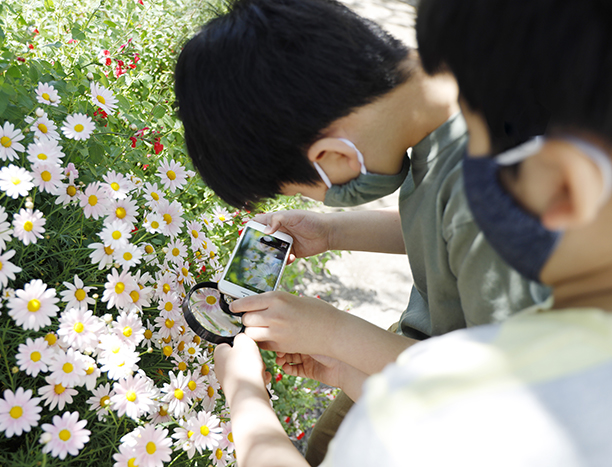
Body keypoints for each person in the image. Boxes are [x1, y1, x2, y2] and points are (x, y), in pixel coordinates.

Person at [214, 0, 612, 465]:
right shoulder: (442, 135)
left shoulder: (486, 184)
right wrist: (331, 233)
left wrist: (265, 382)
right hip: (410, 353)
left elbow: (484, 392)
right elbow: (443, 233)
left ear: (332, 157)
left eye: (306, 190)